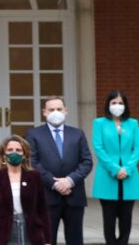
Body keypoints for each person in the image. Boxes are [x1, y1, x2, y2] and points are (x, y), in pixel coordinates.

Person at [26, 97, 92, 245]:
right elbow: (32, 162)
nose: (55, 112)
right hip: (47, 196)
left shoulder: (77, 134)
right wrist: (54, 183)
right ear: (44, 112)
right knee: (47, 239)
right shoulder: (34, 134)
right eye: (51, 109)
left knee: (75, 240)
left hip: (74, 196)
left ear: (66, 111)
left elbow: (87, 162)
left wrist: (69, 180)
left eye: (59, 109)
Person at [92, 91, 139, 245]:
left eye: (120, 103)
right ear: (108, 104)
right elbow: (98, 147)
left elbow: (138, 147)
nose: (117, 106)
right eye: (114, 103)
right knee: (109, 217)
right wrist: (115, 169)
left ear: (125, 105)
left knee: (126, 217)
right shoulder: (99, 123)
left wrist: (127, 168)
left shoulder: (133, 123)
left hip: (129, 176)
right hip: (107, 176)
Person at [0, 136, 51, 245]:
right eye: (10, 150)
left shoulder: (34, 176)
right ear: (3, 154)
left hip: (30, 230)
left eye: (18, 150)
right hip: (3, 231)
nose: (14, 153)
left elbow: (43, 208)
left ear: (24, 154)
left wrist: (47, 239)